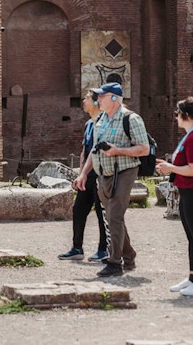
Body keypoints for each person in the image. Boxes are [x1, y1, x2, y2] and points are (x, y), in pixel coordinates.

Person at [73, 82, 150, 277]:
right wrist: (83, 173)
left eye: (102, 96)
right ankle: (129, 256)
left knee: (114, 216)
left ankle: (115, 263)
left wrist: (118, 151)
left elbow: (144, 148)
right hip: (103, 174)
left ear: (114, 98)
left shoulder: (131, 119)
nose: (98, 99)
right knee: (113, 217)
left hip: (124, 172)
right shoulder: (100, 120)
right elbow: (94, 149)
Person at [156, 97, 193, 297]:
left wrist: (170, 167)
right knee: (191, 237)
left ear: (186, 115)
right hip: (187, 190)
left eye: (177, 114)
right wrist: (169, 166)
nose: (176, 118)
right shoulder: (190, 135)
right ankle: (192, 277)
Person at [58, 92, 109, 262]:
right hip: (87, 176)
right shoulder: (88, 124)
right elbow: (84, 151)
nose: (83, 101)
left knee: (102, 214)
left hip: (100, 174)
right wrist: (81, 174)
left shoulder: (104, 122)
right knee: (79, 209)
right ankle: (77, 247)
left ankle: (104, 249)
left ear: (96, 102)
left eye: (87, 98)